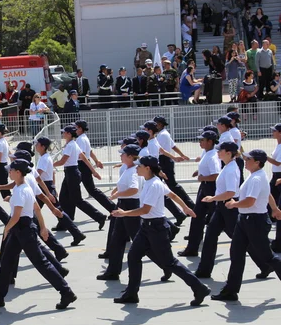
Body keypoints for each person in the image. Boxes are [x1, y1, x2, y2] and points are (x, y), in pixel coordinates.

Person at [111, 155, 209, 305]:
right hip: (147, 227)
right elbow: (173, 195)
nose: (136, 168)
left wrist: (124, 213)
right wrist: (186, 208)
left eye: (139, 166)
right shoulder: (151, 181)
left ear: (148, 168)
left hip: (156, 228)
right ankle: (131, 293)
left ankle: (199, 288)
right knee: (133, 256)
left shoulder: (154, 184)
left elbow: (145, 209)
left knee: (170, 262)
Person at [0, 159, 77, 310]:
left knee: (42, 263)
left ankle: (66, 292)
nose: (9, 172)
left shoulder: (21, 190)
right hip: (20, 230)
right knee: (6, 262)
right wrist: (43, 228)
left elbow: (16, 216)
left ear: (18, 172)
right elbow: (36, 209)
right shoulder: (23, 187)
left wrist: (7, 229)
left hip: (24, 230)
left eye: (11, 170)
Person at [212, 149, 281, 302]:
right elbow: (267, 193)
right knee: (236, 254)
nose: (245, 161)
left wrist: (234, 204)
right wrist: (275, 209)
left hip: (255, 221)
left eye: (248, 159)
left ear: (257, 162)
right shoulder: (256, 176)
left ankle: (230, 290)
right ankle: (230, 291)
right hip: (245, 220)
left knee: (267, 256)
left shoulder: (257, 178)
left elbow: (250, 201)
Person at [97, 144, 143, 280]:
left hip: (129, 206)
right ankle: (112, 271)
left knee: (140, 241)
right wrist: (117, 193)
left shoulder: (133, 170)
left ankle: (167, 264)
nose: (120, 156)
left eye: (123, 154)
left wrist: (117, 194)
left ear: (130, 156)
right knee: (116, 241)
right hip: (124, 205)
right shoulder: (130, 168)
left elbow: (134, 189)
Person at [53, 125, 106, 230]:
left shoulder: (70, 146)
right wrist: (93, 171)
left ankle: (99, 216)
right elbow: (85, 159)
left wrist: (51, 164)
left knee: (77, 200)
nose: (63, 134)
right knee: (63, 198)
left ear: (69, 134)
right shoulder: (73, 144)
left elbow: (63, 161)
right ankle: (65, 222)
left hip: (72, 173)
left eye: (64, 132)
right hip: (71, 173)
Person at [178, 131, 221, 257]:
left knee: (219, 220)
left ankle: (249, 242)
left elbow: (215, 175)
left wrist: (203, 178)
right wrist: (199, 172)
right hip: (205, 187)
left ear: (210, 141)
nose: (200, 142)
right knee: (197, 217)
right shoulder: (207, 153)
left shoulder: (213, 156)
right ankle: (192, 248)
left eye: (202, 140)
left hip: (211, 189)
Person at [74, 120, 114, 219]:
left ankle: (113, 208)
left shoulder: (80, 140)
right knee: (82, 190)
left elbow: (82, 155)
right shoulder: (83, 138)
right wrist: (96, 161)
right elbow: (90, 152)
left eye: (75, 127)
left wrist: (93, 170)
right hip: (83, 165)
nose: (74, 129)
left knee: (92, 190)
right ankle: (112, 208)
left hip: (82, 165)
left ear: (79, 128)